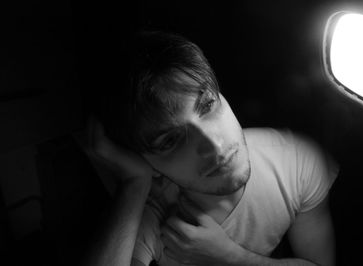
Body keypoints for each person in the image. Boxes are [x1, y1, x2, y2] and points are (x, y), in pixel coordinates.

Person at [83, 31, 339, 266]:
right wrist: (134, 184)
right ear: (147, 162)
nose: (215, 145)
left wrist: (230, 257)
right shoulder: (152, 212)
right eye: (170, 141)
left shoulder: (294, 158)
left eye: (206, 105)